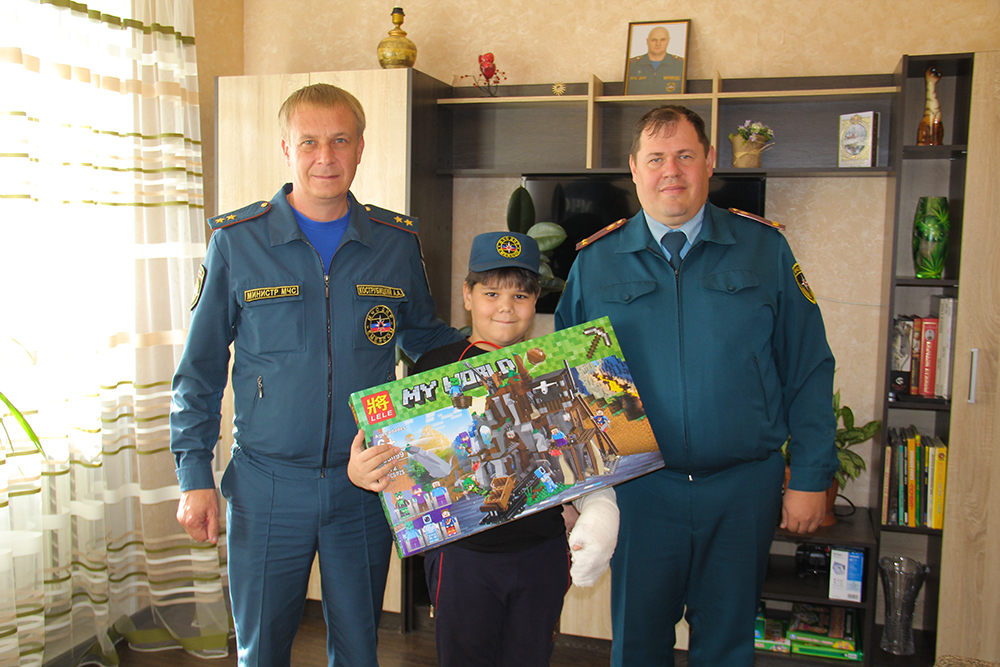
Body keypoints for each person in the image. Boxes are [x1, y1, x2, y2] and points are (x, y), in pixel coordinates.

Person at [169, 83, 464, 667]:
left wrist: (495, 345)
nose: (325, 157)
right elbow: (199, 370)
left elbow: (425, 342)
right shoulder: (237, 243)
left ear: (360, 148)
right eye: (309, 142)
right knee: (262, 649)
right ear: (286, 148)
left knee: (358, 649)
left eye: (340, 141)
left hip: (364, 483)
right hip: (267, 486)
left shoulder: (395, 243)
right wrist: (193, 474)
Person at [553, 105, 838, 667]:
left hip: (741, 489)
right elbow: (569, 387)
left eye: (685, 155)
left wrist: (810, 476)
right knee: (637, 645)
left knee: (728, 647)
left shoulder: (765, 249)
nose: (671, 171)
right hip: (641, 493)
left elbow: (808, 365)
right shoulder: (596, 261)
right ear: (634, 168)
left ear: (709, 161)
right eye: (656, 158)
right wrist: (575, 490)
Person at [349, 231, 620, 667]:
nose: (505, 307)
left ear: (535, 301)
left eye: (520, 295)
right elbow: (403, 455)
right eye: (491, 293)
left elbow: (580, 444)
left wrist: (587, 502)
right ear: (467, 295)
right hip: (462, 558)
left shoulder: (552, 363)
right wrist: (365, 471)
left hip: (541, 547)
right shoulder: (435, 369)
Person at [626, 26, 686, 95]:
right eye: (654, 40)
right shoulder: (631, 65)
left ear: (668, 41)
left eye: (663, 40)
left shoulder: (681, 65)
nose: (658, 44)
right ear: (647, 41)